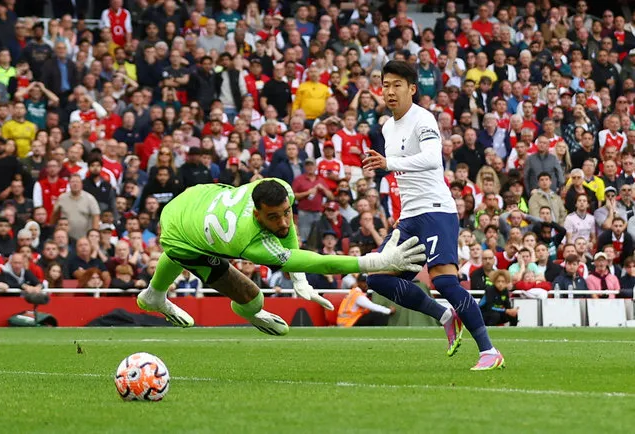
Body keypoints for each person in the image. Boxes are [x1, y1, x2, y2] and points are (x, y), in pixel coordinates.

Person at [136, 178, 426, 334]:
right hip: (180, 234)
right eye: (272, 218)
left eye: (286, 212)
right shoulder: (251, 242)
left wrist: (299, 279)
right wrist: (376, 261)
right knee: (253, 297)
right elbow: (318, 260)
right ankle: (246, 311)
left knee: (191, 240)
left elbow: (289, 235)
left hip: (194, 197)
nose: (284, 222)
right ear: (256, 213)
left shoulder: (280, 189)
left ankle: (153, 296)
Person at [362, 61, 504, 370]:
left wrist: (389, 162)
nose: (389, 91)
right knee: (378, 278)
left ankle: (489, 351)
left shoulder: (423, 118)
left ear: (412, 88)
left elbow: (430, 158)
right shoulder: (387, 126)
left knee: (446, 282)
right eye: (385, 84)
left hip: (437, 210)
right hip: (410, 215)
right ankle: (444, 316)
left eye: (397, 84)